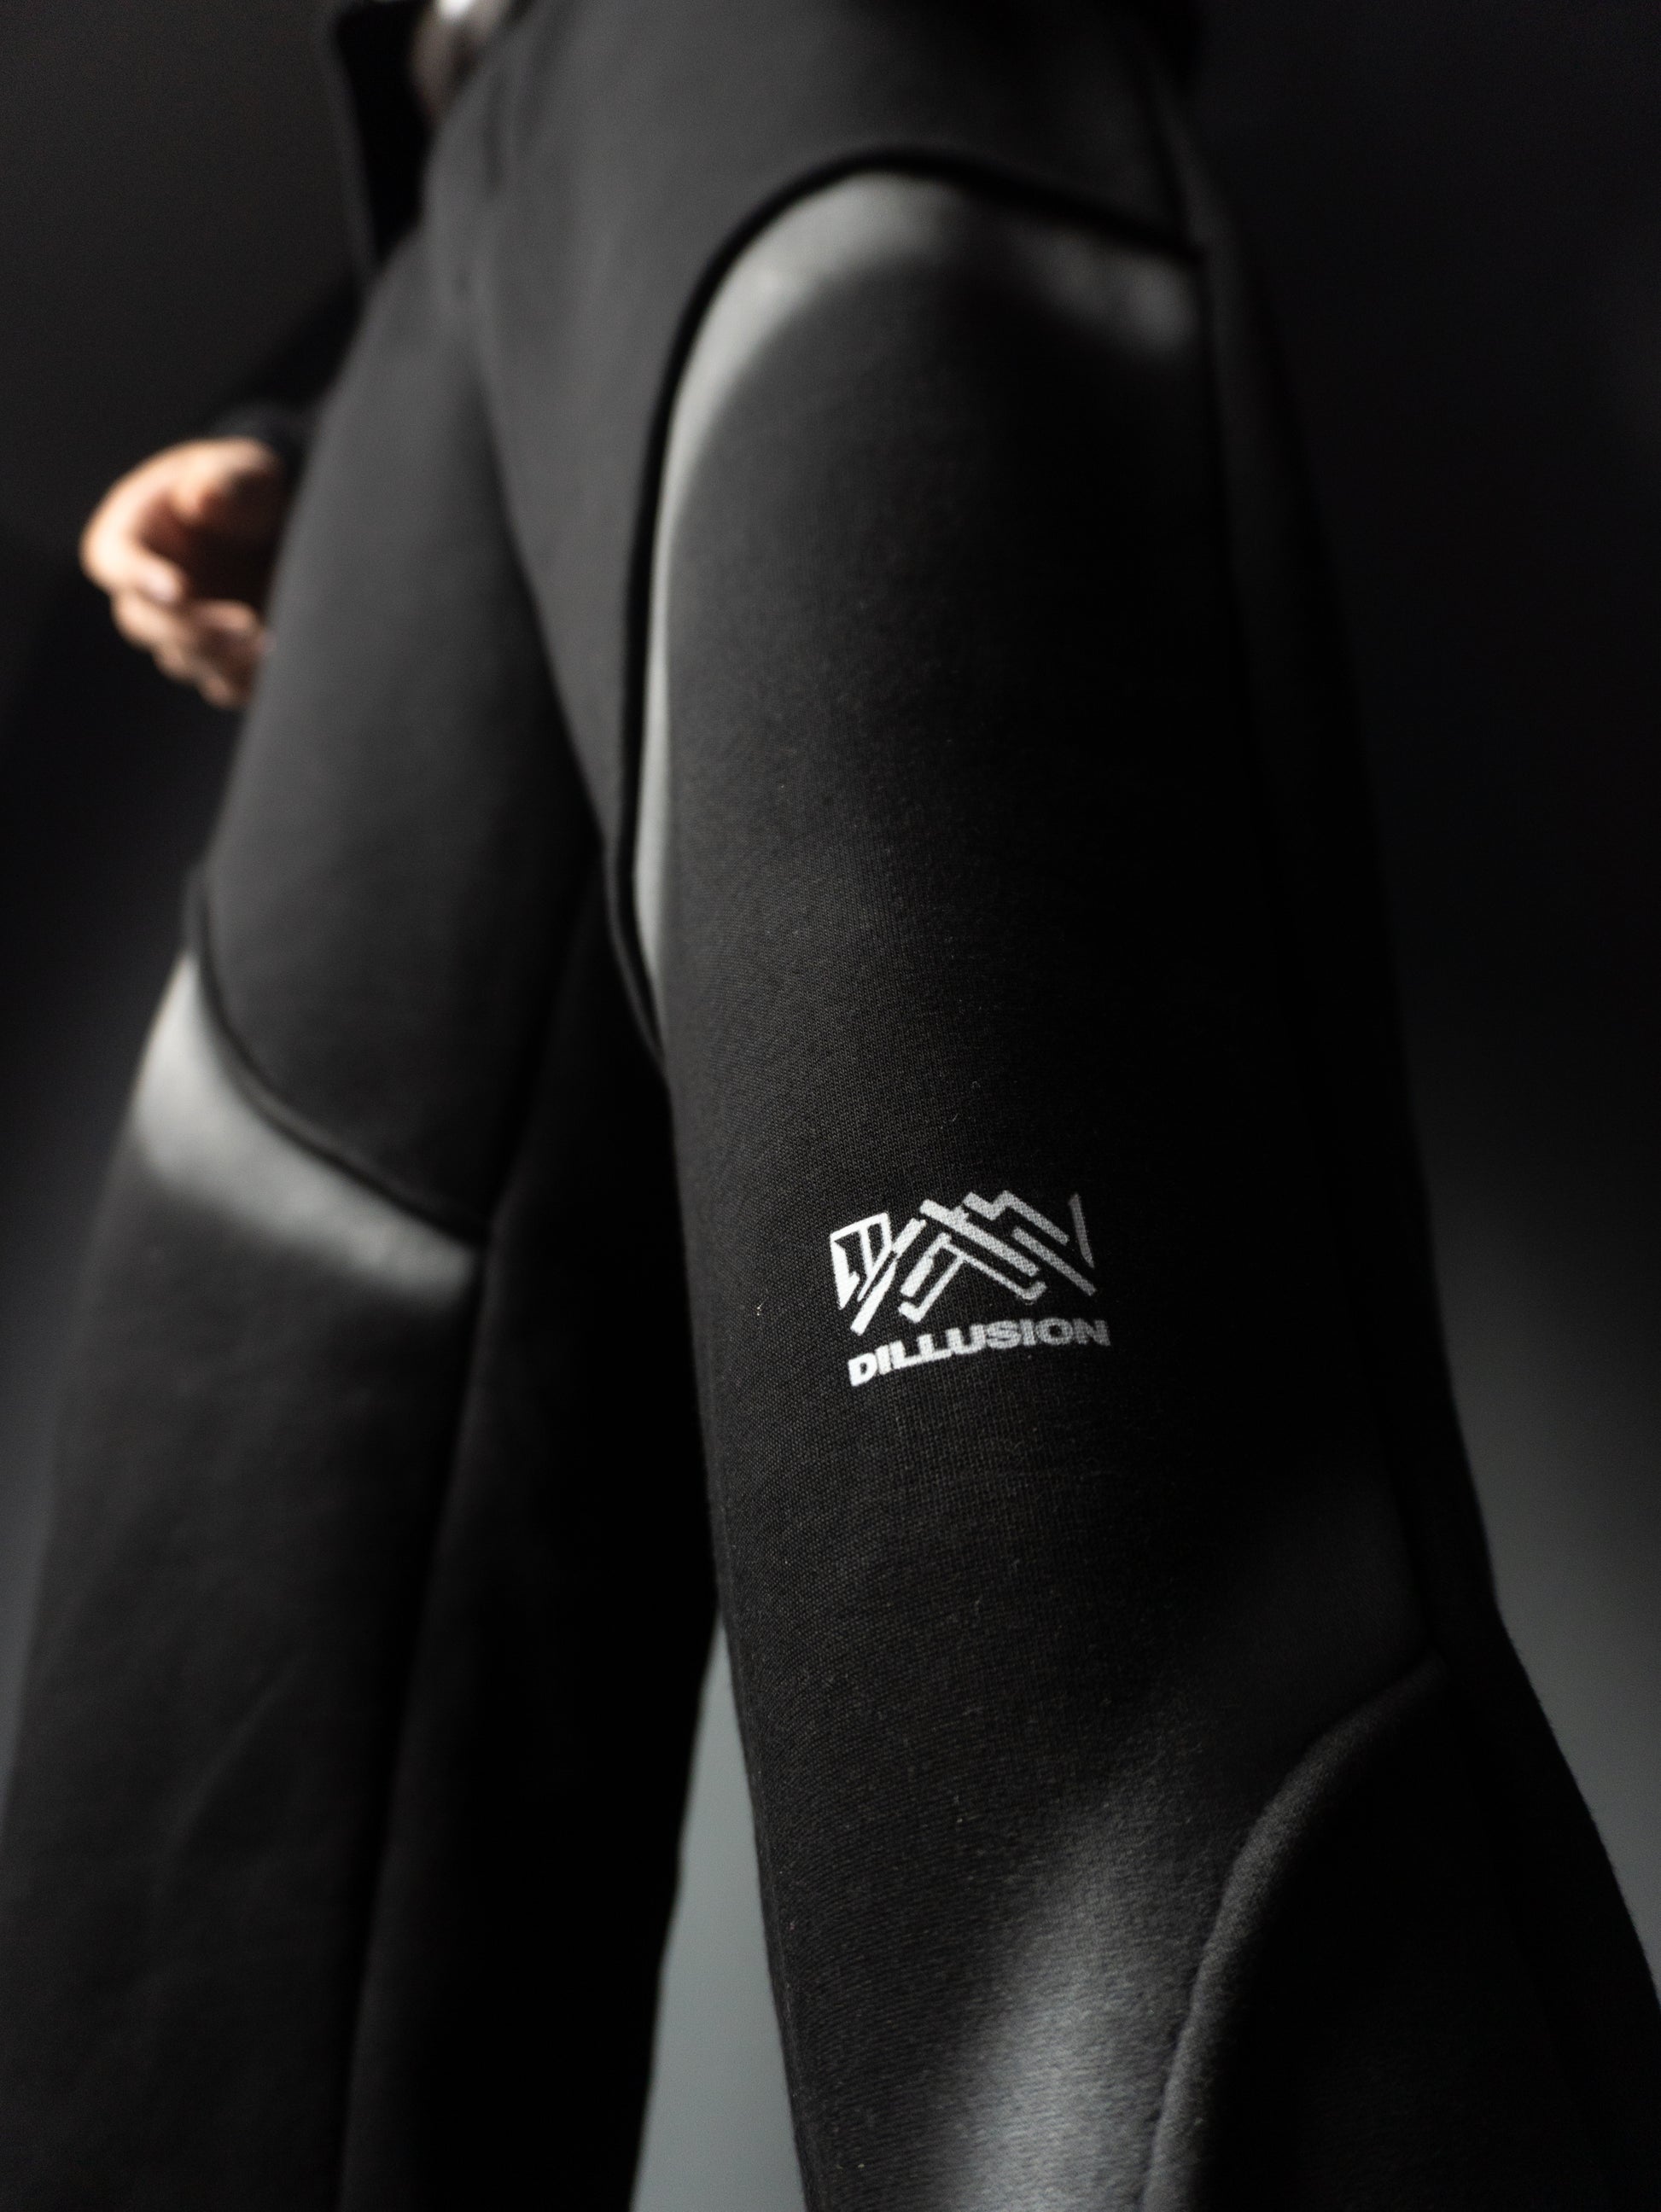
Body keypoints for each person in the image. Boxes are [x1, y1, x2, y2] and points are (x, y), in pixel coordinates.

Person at [8, 0, 1661, 2205]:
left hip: (803, 57)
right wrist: (342, 444)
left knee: (1052, 1721)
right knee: (198, 1854)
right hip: (451, 235)